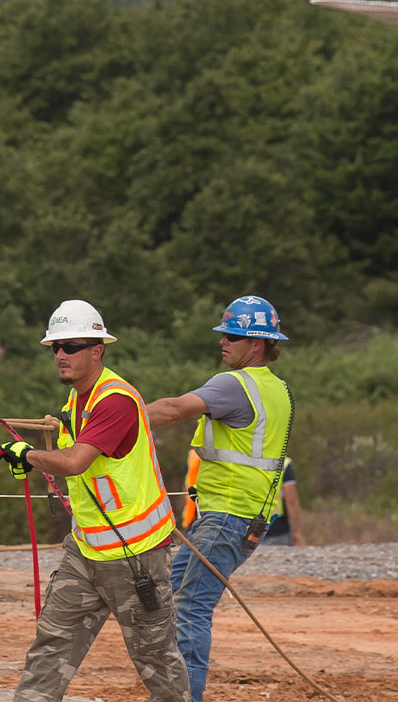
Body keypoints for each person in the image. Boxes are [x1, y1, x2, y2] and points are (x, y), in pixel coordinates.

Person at [0, 300, 190, 702]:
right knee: (50, 649)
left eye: (71, 346)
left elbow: (73, 462)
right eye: (55, 347)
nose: (61, 355)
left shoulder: (115, 400)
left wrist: (27, 456)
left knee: (158, 665)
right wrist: (32, 458)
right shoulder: (76, 402)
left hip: (135, 557)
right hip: (86, 549)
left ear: (97, 349)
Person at [143, 296, 293, 702]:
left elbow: (175, 409)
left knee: (189, 609)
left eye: (232, 335)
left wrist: (111, 413)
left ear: (257, 344)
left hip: (227, 517)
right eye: (223, 334)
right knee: (175, 601)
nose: (222, 342)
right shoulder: (276, 389)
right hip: (239, 519)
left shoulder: (235, 384)